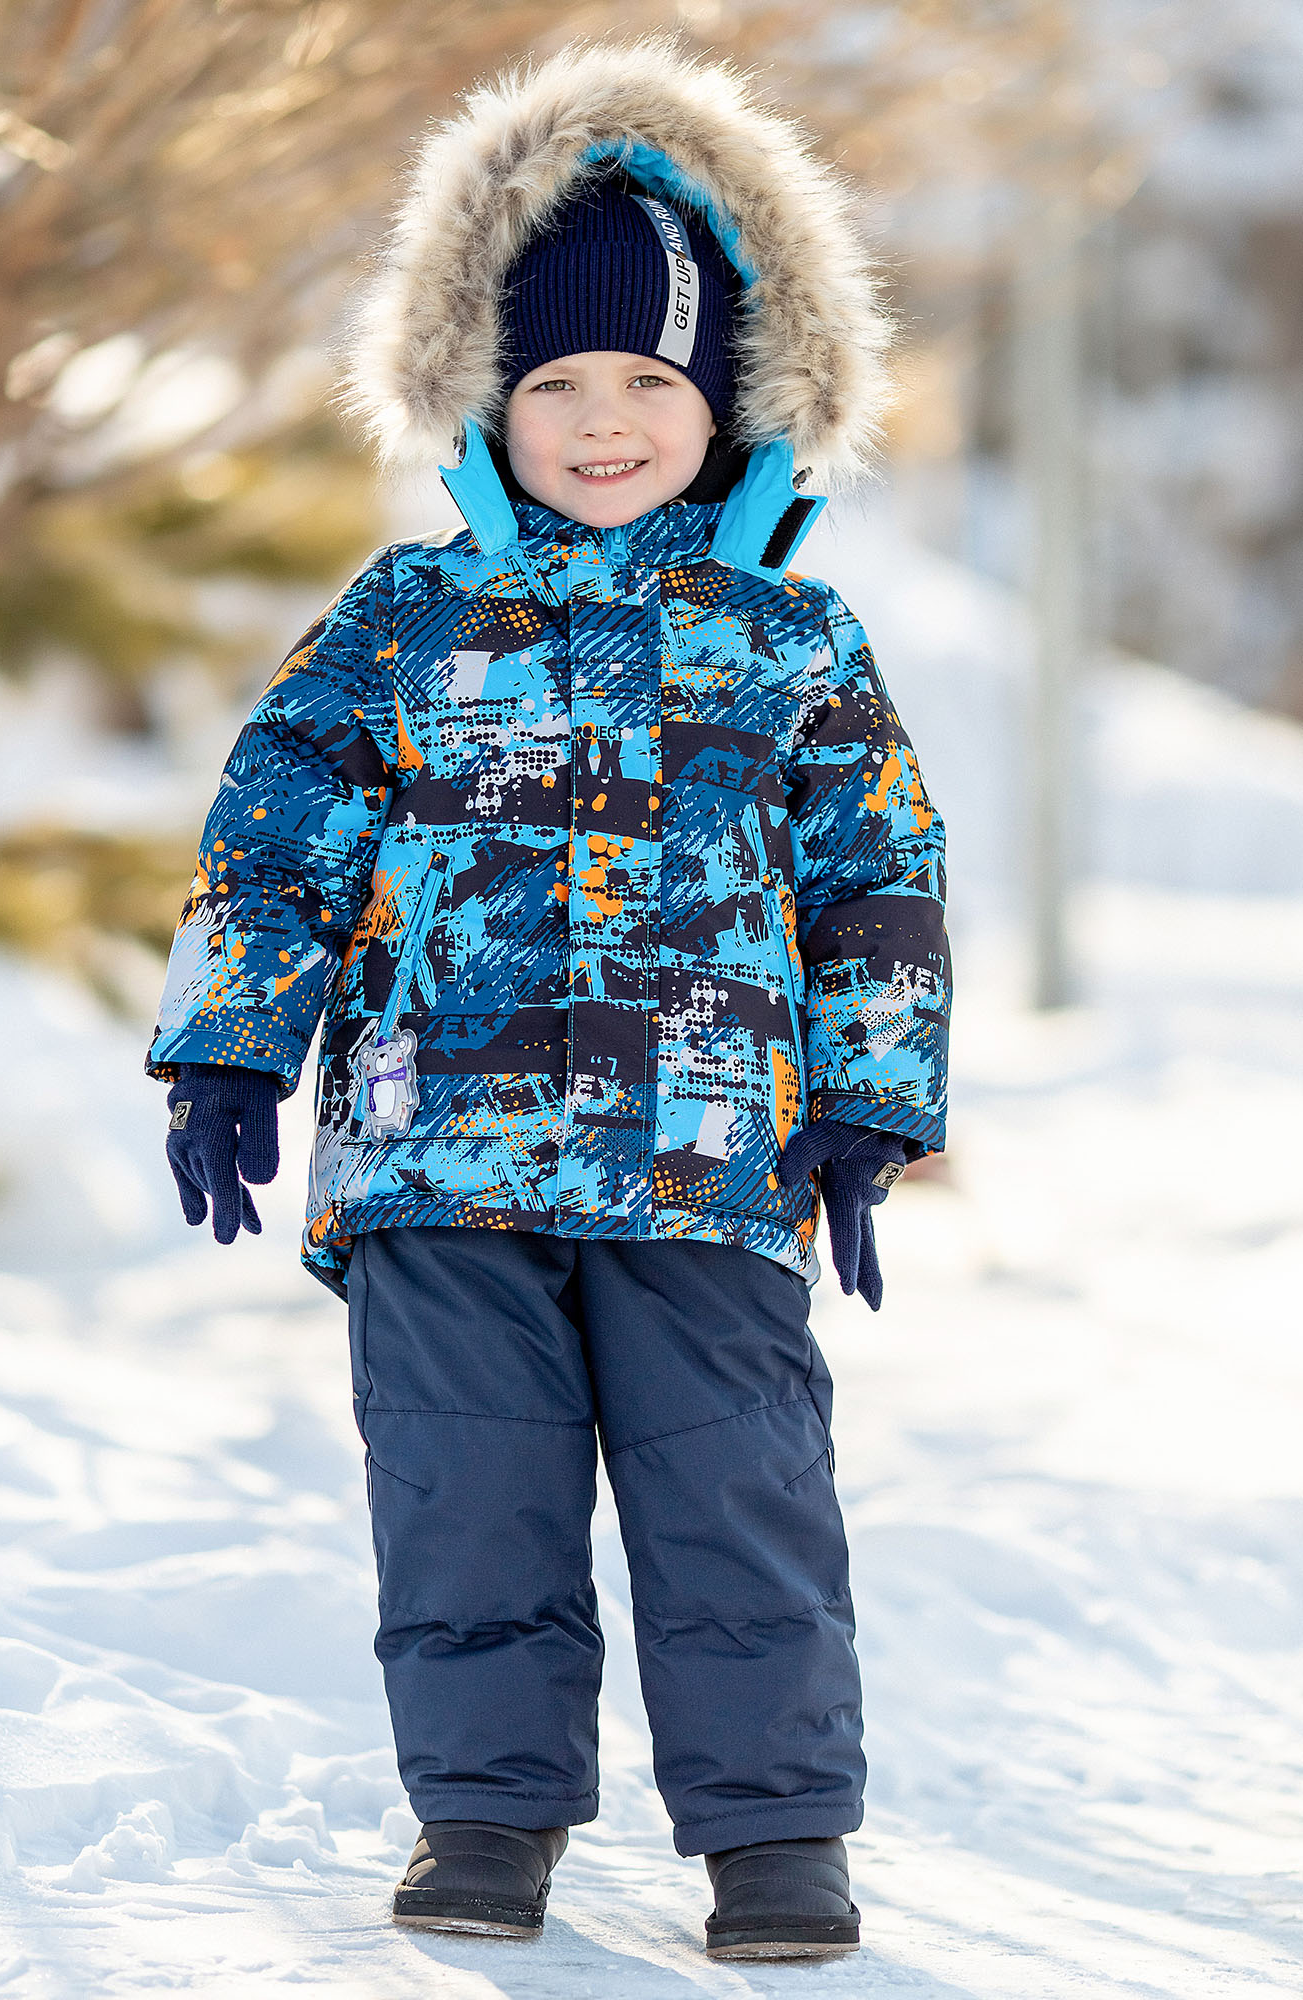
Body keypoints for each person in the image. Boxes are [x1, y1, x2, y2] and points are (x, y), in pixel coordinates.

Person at [146, 39, 949, 1962]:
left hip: (704, 1166)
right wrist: (233, 1041)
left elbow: (878, 884)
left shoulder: (790, 637)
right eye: (555, 383)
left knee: (741, 1510)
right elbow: (276, 840)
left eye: (649, 381)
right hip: (437, 1156)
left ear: (732, 398)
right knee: (465, 1506)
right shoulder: (404, 620)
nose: (603, 422)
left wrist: (869, 1102)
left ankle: (773, 1843)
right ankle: (487, 1820)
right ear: (480, 401)